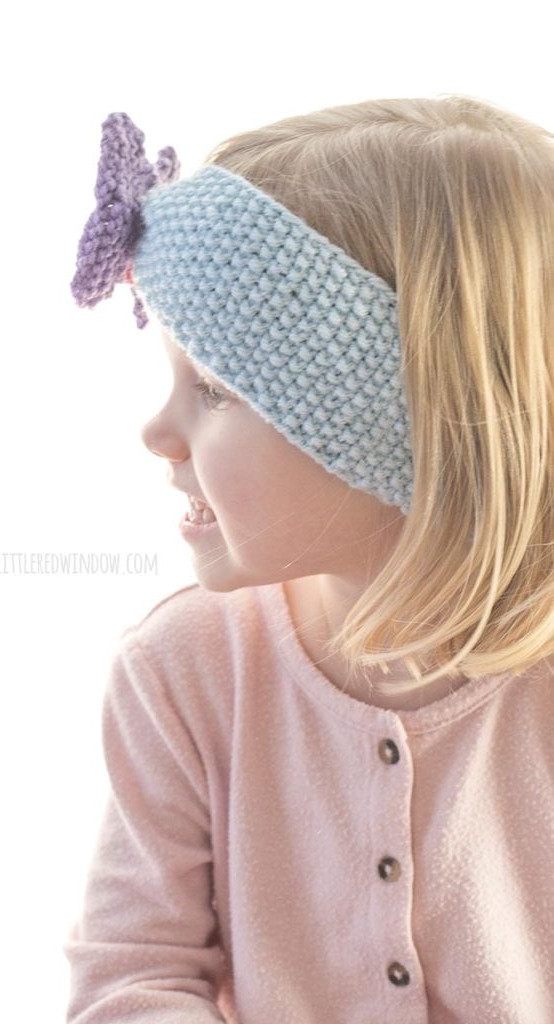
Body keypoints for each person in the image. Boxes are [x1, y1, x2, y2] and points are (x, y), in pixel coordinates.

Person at [64, 97, 554, 1023]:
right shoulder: (185, 674)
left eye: (212, 388)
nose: (157, 433)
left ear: (396, 428)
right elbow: (132, 976)